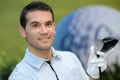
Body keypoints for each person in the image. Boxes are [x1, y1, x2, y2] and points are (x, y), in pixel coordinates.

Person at [8, 1, 114, 80]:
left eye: (48, 24)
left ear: (54, 27)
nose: (44, 31)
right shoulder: (20, 76)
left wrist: (92, 75)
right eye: (35, 25)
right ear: (23, 31)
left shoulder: (70, 58)